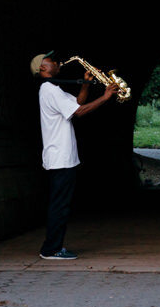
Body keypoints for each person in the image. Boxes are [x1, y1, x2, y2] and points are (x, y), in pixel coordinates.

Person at [30, 52, 118, 260]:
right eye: (50, 60)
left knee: (61, 203)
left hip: (63, 157)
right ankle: (51, 249)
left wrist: (86, 86)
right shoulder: (49, 90)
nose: (55, 61)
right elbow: (79, 112)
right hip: (59, 158)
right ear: (43, 68)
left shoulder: (53, 89)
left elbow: (77, 104)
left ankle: (53, 247)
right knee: (59, 205)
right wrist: (105, 97)